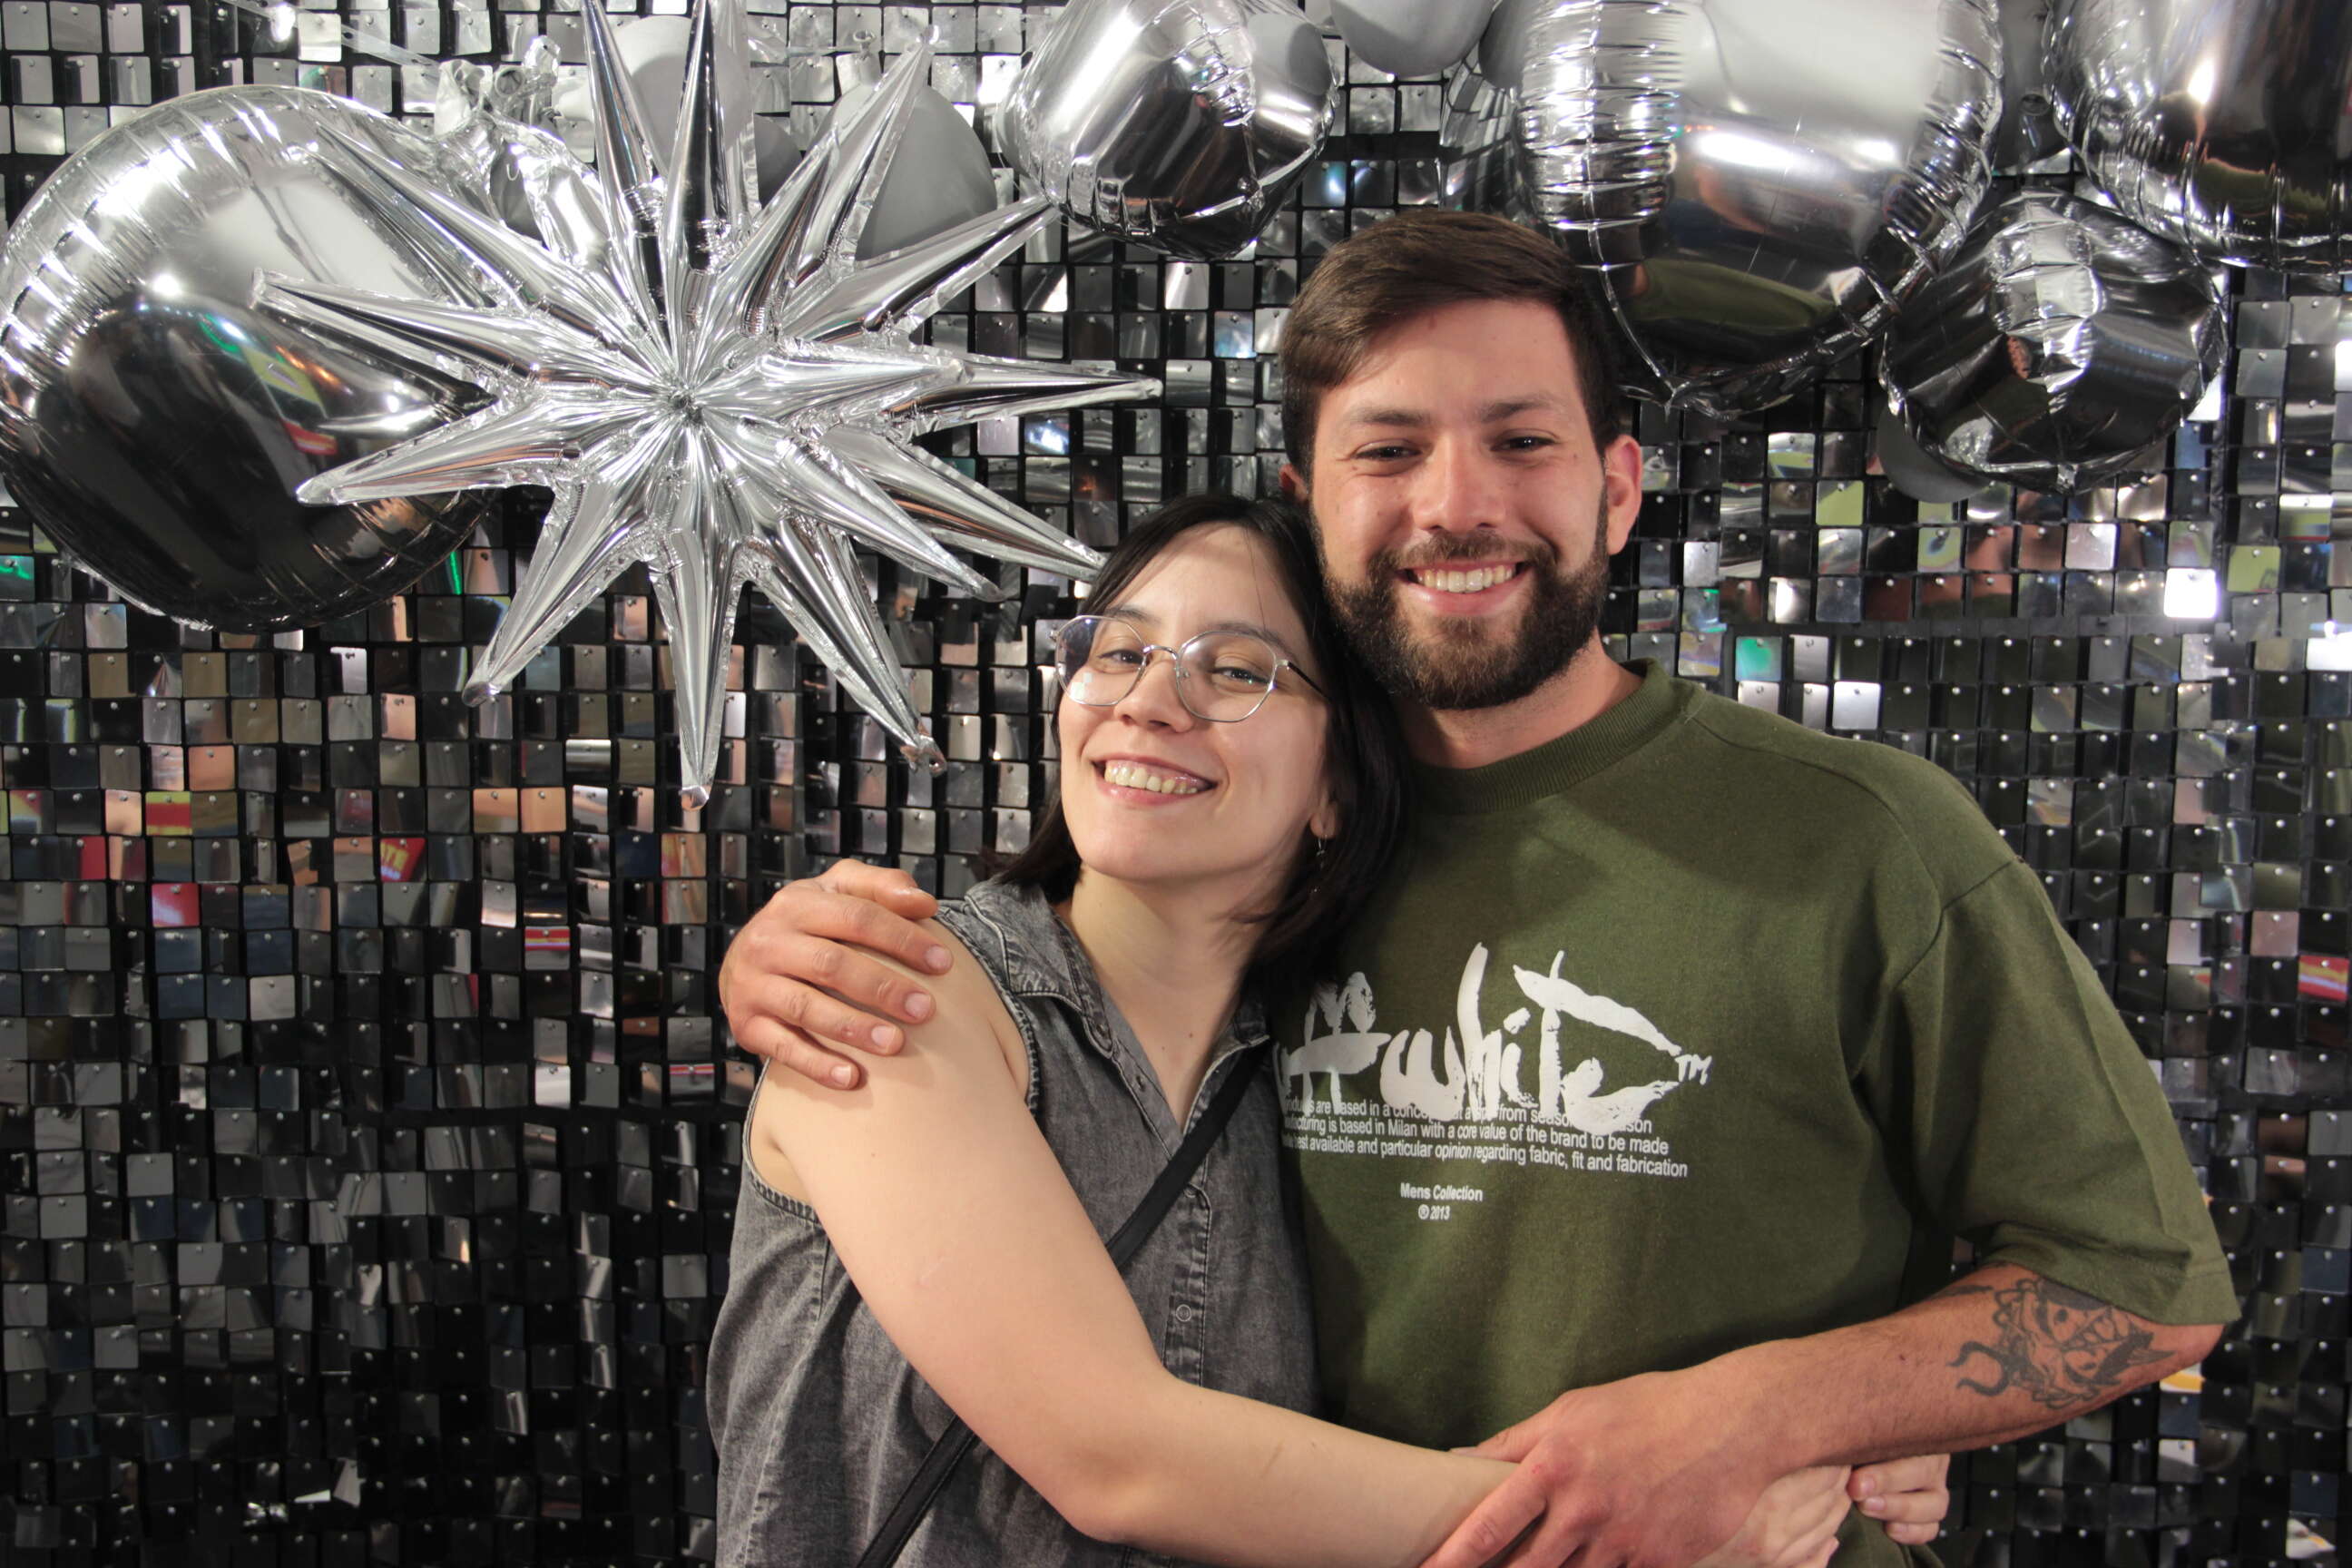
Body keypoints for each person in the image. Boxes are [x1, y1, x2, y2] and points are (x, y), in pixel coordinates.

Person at [720, 210, 2231, 1568]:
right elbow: (1119, 1415)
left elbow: (2142, 1290)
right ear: (1312, 497)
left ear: (1618, 488)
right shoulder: (1265, 881)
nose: (1456, 504)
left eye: (1521, 441)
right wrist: (780, 961)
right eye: (1388, 452)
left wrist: (1771, 1422)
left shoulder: (1863, 837)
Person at [707, 493, 1906, 1568]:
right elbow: (1116, 1457)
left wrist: (1832, 1445)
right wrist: (1651, 1523)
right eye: (1117, 653)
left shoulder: (1328, 1085)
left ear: (1338, 783)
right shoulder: (896, 989)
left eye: (1237, 670)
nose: (1149, 702)